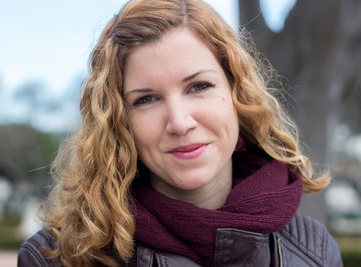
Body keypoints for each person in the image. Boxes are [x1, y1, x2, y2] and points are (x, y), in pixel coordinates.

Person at [18, 0, 343, 266]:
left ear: (236, 94)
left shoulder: (315, 252)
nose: (179, 122)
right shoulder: (58, 257)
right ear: (119, 122)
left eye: (199, 86)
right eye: (146, 99)